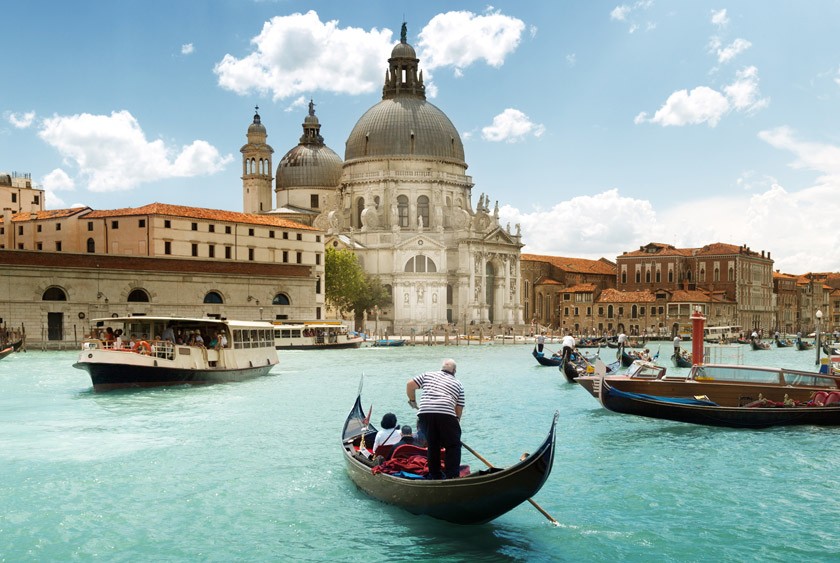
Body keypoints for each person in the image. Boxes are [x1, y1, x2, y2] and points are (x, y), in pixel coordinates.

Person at [406, 358, 465, 480]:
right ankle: (452, 476)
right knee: (453, 445)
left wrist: (413, 401)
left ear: (442, 368)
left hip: (425, 413)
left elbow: (410, 385)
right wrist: (456, 422)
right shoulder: (458, 384)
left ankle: (435, 475)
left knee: (433, 445)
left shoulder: (428, 375)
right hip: (446, 414)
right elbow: (459, 408)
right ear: (454, 371)